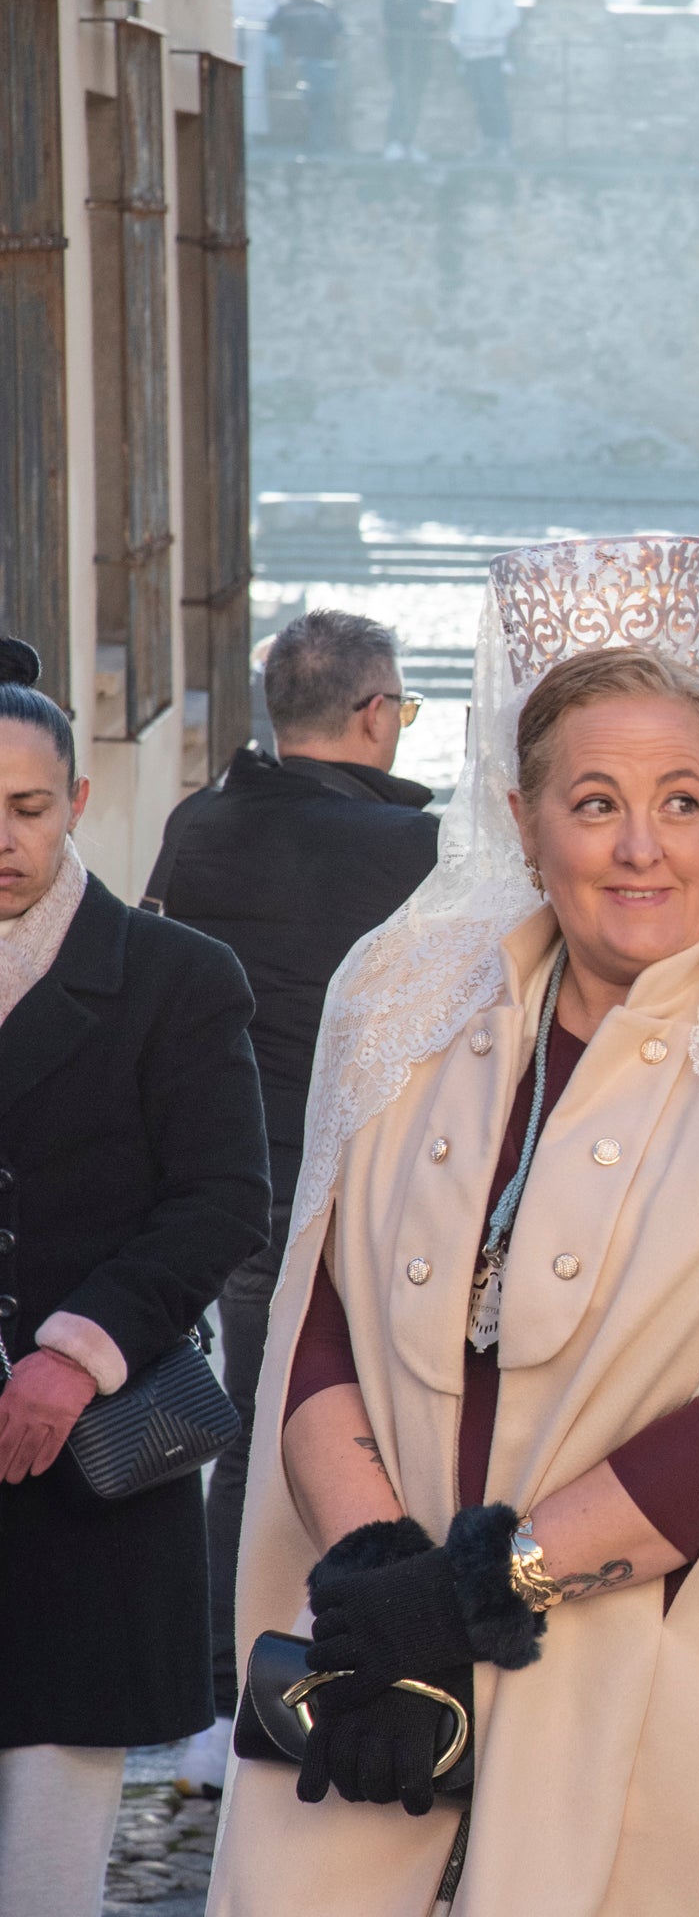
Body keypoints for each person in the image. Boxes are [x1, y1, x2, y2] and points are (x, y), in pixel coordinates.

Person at [209, 539, 699, 1914]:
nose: (643, 847)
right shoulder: (404, 995)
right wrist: (378, 1574)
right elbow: (318, 1312)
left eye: (681, 802)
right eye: (595, 803)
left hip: (675, 1674)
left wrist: (479, 1586)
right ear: (522, 820)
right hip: (379, 1655)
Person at [142, 611, 439, 1793]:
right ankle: (343, 1676)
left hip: (229, 1184)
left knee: (255, 1428)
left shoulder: (197, 824)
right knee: (366, 1429)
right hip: (370, 1186)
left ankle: (224, 1691)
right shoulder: (414, 847)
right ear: (374, 713)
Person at [0, 638, 269, 1917]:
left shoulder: (180, 978)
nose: (3, 838)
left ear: (78, 802)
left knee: (48, 1857)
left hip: (88, 1471)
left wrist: (74, 1351)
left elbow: (223, 1198)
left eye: (26, 807)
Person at [447, 0, 517, 164]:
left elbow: (510, 16)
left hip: (490, 53)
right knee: (479, 102)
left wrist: (489, 37)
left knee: (494, 100)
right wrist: (458, 41)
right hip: (469, 54)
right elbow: (460, 16)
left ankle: (503, 145)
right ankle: (487, 144)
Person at [270, 0, 344, 158]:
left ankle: (317, 145)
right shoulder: (288, 8)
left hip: (320, 63)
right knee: (305, 103)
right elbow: (273, 27)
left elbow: (337, 29)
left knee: (321, 101)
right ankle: (305, 144)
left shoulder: (324, 8)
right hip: (295, 63)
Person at [379, 0, 437, 162]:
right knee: (401, 98)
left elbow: (428, 23)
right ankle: (393, 142)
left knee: (415, 101)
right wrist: (419, 16)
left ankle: (408, 143)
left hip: (419, 57)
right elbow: (394, 16)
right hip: (401, 55)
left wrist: (430, 18)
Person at [232, 0, 282, 142]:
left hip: (233, 26)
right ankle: (253, 128)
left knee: (233, 75)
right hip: (258, 28)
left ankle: (232, 124)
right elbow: (277, 1)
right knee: (254, 80)